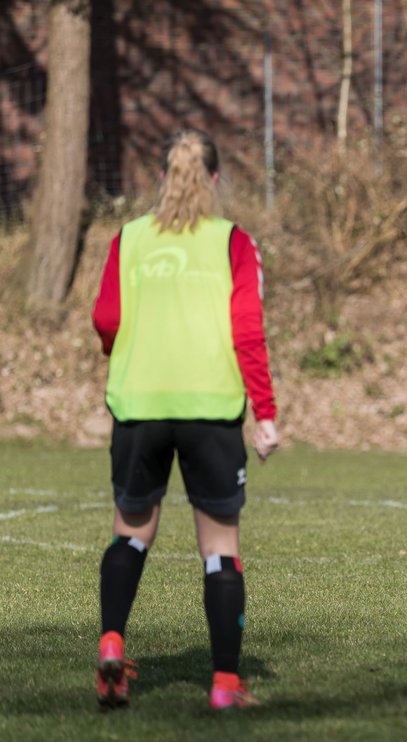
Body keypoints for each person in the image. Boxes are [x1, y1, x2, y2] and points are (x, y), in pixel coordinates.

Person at [91, 129, 279, 710]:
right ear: (215, 181)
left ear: (163, 179)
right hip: (210, 408)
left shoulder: (130, 238)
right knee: (219, 548)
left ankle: (111, 648)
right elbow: (248, 329)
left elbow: (106, 318)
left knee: (131, 532)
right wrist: (265, 412)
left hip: (139, 405)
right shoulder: (233, 242)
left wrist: (128, 350)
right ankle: (225, 686)